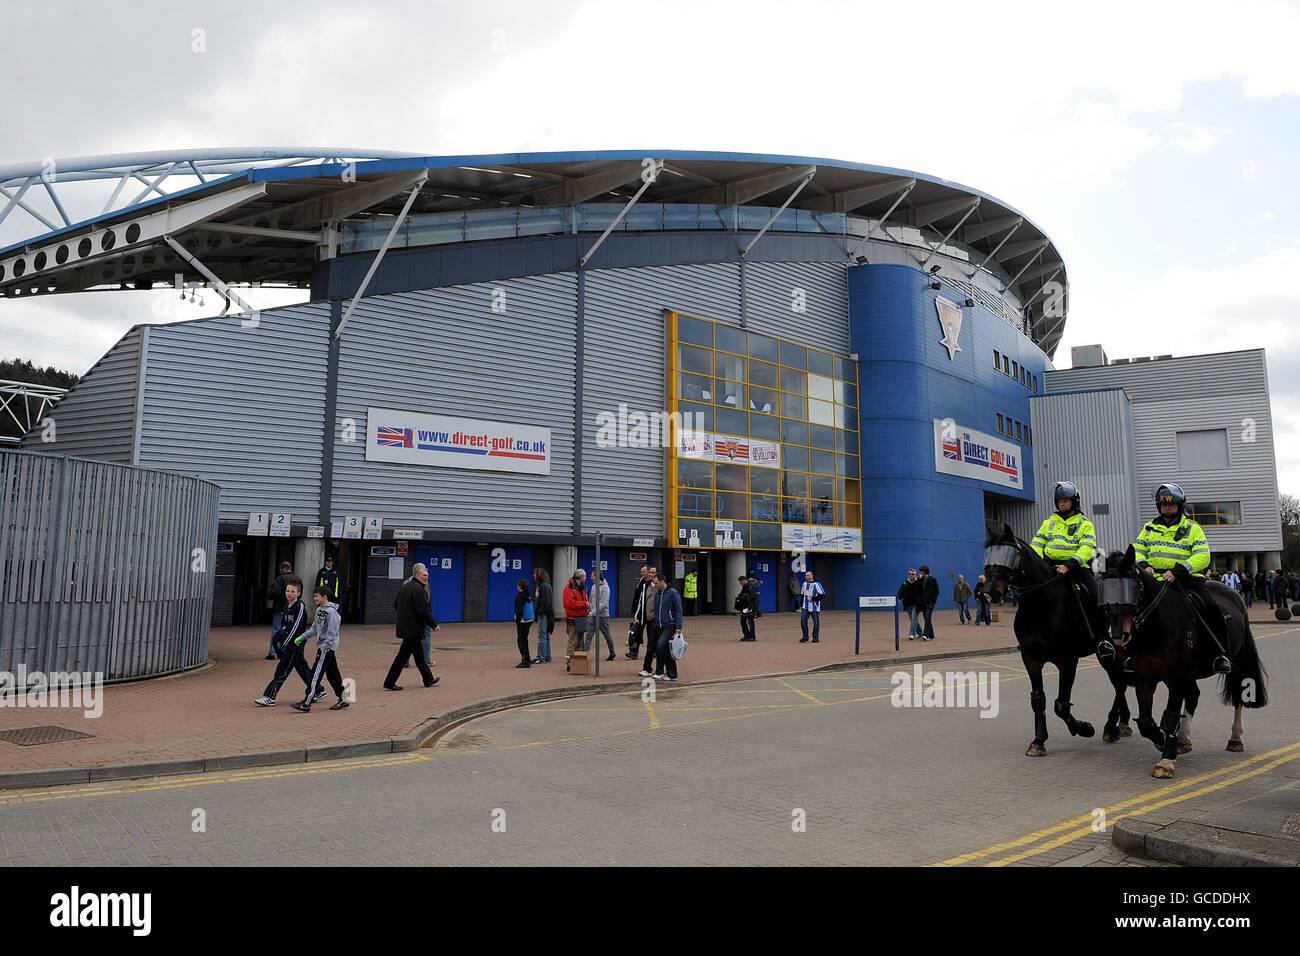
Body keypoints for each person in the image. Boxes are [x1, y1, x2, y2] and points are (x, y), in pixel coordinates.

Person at [1124, 482, 1231, 675]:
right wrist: (1143, 565)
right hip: (1154, 580)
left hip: (1185, 580)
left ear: (1179, 505)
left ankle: (1220, 654)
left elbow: (1203, 555)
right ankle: (1133, 655)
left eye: (1171, 504)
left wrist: (1178, 571)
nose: (1167, 507)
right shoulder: (1148, 528)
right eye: (1164, 504)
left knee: (1212, 608)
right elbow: (1138, 550)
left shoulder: (1192, 528)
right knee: (1135, 610)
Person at [1030, 479, 1099, 639]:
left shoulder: (1085, 524)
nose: (1062, 504)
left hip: (1077, 569)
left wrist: (1069, 565)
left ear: (1074, 502)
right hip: (1050, 567)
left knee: (1096, 594)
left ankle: (1100, 635)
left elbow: (1087, 548)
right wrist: (1039, 565)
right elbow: (1037, 544)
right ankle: (1030, 633)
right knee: (1031, 593)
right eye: (1059, 501)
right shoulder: (1049, 522)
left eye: (1065, 501)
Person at [255, 579, 324, 706]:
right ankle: (318, 690)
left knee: (281, 670)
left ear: (298, 593)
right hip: (290, 645)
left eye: (292, 591)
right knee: (302, 668)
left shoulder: (300, 607)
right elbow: (285, 627)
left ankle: (269, 697)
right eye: (287, 591)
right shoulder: (286, 607)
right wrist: (277, 639)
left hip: (295, 646)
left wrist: (285, 643)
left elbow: (295, 628)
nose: (289, 594)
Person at [289, 586, 350, 712]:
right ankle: (343, 699)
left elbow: (331, 633)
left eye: (317, 596)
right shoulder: (319, 610)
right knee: (333, 674)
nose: (314, 598)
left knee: (315, 674)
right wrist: (302, 637)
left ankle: (307, 702)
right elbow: (314, 629)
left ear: (324, 597)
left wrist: (325, 648)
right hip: (323, 648)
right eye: (314, 596)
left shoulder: (332, 613)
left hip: (325, 649)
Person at [384, 563, 441, 690]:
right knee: (402, 657)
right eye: (423, 575)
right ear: (416, 575)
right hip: (412, 629)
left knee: (419, 656)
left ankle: (428, 679)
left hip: (408, 628)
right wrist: (434, 625)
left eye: (427, 575)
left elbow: (396, 604)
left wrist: (405, 615)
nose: (426, 577)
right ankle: (389, 682)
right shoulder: (419, 590)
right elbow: (423, 611)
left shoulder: (406, 586)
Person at [652, 571, 684, 682]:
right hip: (659, 625)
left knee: (661, 646)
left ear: (662, 582)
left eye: (656, 583)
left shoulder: (673, 593)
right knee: (662, 649)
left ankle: (668, 673)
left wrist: (679, 627)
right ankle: (666, 673)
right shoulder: (657, 594)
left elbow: (679, 610)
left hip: (670, 625)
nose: (654, 585)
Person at [563, 568, 591, 672]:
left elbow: (585, 599)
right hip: (573, 619)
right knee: (572, 642)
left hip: (582, 618)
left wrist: (587, 606)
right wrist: (584, 604)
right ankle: (570, 663)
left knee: (580, 642)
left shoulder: (583, 588)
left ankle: (578, 662)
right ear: (581, 577)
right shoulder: (569, 588)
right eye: (585, 576)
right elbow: (569, 603)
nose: (586, 578)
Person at [584, 569, 615, 661]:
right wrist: (589, 607)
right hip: (592, 615)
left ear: (597, 576)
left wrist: (594, 611)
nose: (591, 578)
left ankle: (612, 652)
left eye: (592, 576)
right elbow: (591, 599)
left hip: (602, 616)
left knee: (606, 635)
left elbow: (604, 603)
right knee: (589, 635)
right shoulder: (594, 586)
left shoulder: (605, 588)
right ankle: (586, 654)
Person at [267, 560, 294, 659]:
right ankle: (284, 651)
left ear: (283, 569)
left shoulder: (280, 579)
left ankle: (272, 652)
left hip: (280, 608)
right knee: (288, 630)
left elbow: (274, 592)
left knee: (276, 630)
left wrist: (270, 596)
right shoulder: (297, 580)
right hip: (292, 608)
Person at [638, 566, 661, 677]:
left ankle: (660, 670)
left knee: (659, 646)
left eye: (653, 572)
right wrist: (639, 617)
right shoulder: (646, 587)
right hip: (650, 621)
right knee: (651, 645)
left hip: (659, 621)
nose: (651, 574)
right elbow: (642, 603)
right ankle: (647, 669)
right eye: (650, 572)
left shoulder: (660, 588)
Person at [628, 565, 654, 660]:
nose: (642, 574)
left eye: (644, 572)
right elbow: (637, 597)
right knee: (635, 632)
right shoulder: (641, 582)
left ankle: (653, 652)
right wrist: (634, 610)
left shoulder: (653, 583)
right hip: (641, 612)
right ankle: (633, 652)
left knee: (652, 633)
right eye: (641, 572)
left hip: (650, 613)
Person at [532, 568, 554, 664]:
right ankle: (547, 656)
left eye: (535, 574)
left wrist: (538, 611)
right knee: (546, 635)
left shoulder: (543, 586)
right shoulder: (545, 585)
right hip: (546, 613)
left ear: (539, 575)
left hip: (543, 614)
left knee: (542, 635)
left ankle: (541, 657)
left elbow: (545, 602)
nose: (533, 575)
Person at [798, 571, 825, 643]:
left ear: (812, 576)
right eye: (805, 575)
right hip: (805, 607)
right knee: (803, 621)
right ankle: (805, 637)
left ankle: (815, 638)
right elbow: (802, 595)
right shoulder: (804, 584)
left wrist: (813, 599)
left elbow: (822, 595)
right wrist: (801, 606)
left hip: (814, 607)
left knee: (816, 623)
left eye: (808, 575)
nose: (806, 577)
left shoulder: (817, 584)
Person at [513, 578, 534, 668]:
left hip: (523, 621)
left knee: (521, 640)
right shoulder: (528, 594)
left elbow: (518, 611)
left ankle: (525, 660)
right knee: (524, 639)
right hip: (529, 619)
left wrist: (517, 621)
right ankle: (527, 658)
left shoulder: (520, 596)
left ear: (520, 586)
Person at [897, 568, 922, 639]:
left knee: (914, 618)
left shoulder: (919, 582)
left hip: (917, 604)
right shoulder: (905, 582)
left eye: (913, 574)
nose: (911, 575)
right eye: (910, 574)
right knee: (913, 619)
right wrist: (899, 597)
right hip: (908, 604)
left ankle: (912, 634)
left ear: (915, 574)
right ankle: (920, 632)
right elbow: (901, 591)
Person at [918, 566, 939, 641]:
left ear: (923, 572)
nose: (920, 573)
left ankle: (925, 635)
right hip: (923, 603)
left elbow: (936, 591)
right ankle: (932, 635)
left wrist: (933, 600)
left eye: (920, 571)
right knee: (927, 619)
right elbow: (918, 589)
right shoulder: (921, 580)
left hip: (930, 603)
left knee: (927, 617)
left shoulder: (933, 579)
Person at [735, 575, 758, 641]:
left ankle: (752, 637)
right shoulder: (744, 586)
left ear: (743, 581)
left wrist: (750, 608)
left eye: (740, 582)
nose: (740, 584)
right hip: (744, 607)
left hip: (751, 607)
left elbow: (752, 599)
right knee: (742, 620)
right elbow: (743, 596)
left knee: (750, 621)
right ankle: (746, 635)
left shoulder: (751, 586)